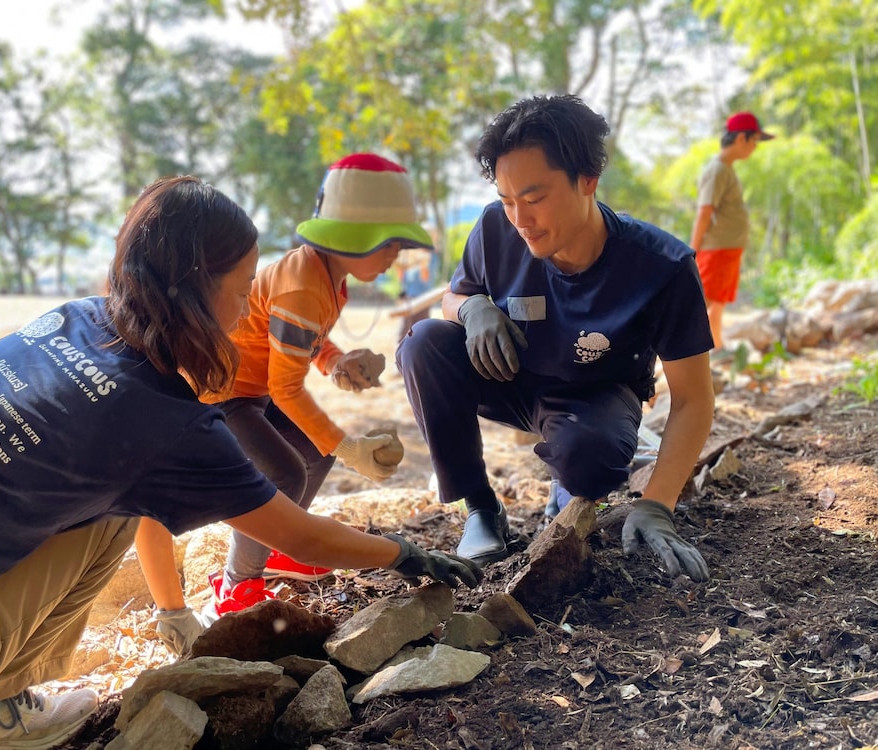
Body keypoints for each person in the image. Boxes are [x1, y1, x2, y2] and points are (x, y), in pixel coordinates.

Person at [0, 175, 479, 750]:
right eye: (242, 291)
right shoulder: (158, 418)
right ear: (195, 287)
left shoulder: (74, 319)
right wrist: (405, 555)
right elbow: (299, 533)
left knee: (99, 497)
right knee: (114, 514)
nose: (246, 312)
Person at [396, 94, 715, 582]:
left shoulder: (661, 267)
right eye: (507, 200)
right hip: (510, 376)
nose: (520, 220)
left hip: (596, 396)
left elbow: (693, 398)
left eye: (535, 198)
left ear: (588, 181)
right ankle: (482, 509)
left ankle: (569, 484)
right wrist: (472, 307)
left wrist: (658, 504)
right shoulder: (493, 229)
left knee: (590, 460)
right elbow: (453, 297)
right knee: (422, 343)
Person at [137, 153, 439, 657]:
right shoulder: (304, 285)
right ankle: (237, 583)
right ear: (351, 238)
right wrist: (350, 447)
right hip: (228, 393)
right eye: (390, 244)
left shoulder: (326, 277)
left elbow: (301, 342)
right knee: (285, 474)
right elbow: (286, 387)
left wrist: (338, 362)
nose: (396, 256)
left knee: (312, 456)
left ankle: (281, 547)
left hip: (253, 389)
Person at [690, 111, 775, 351]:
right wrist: (692, 253)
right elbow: (704, 212)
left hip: (727, 248)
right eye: (755, 140)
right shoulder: (716, 169)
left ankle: (717, 345)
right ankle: (682, 357)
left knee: (718, 301)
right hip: (715, 249)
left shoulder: (726, 169)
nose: (755, 147)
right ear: (741, 139)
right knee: (701, 303)